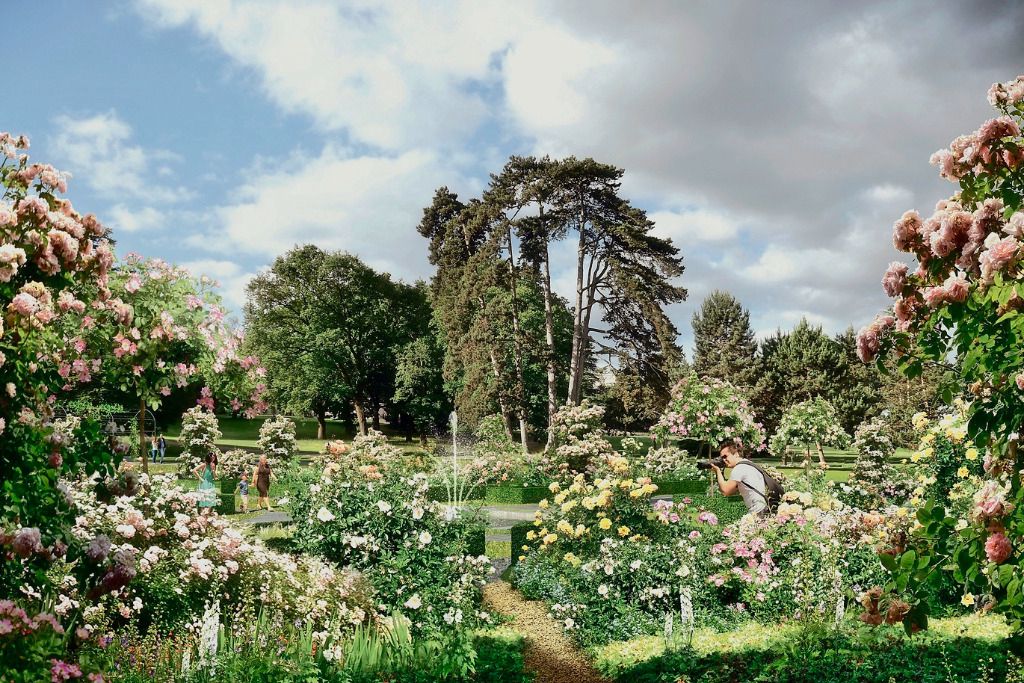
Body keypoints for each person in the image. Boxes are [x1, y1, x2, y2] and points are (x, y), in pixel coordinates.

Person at [709, 442, 770, 517]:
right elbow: (733, 490)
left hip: (757, 511)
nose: (724, 460)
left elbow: (726, 491)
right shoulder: (748, 464)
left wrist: (717, 471)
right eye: (722, 458)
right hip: (763, 508)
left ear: (736, 454)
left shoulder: (739, 469)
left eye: (725, 456)